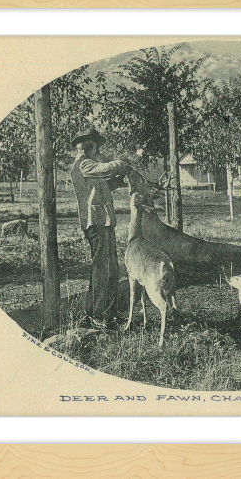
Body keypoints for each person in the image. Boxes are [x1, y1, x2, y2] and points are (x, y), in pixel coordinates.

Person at [70, 127, 134, 329]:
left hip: (103, 222)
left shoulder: (89, 167)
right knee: (102, 270)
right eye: (97, 146)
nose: (99, 150)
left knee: (110, 269)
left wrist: (117, 180)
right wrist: (121, 164)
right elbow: (104, 169)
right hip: (96, 223)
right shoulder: (84, 164)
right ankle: (98, 314)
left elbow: (100, 186)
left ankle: (108, 313)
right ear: (90, 147)